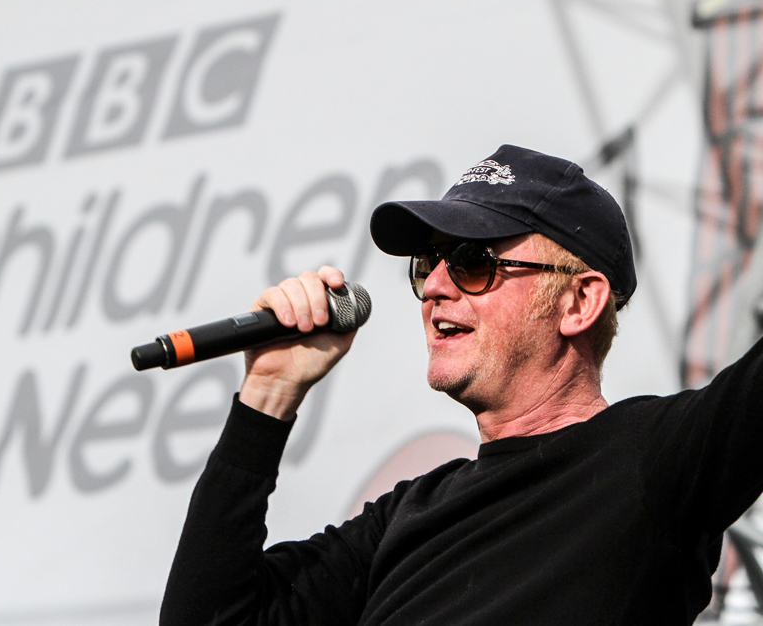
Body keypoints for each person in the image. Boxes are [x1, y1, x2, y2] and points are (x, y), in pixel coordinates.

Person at [159, 145, 763, 625]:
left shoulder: (651, 459)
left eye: (475, 261)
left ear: (579, 302)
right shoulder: (405, 517)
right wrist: (268, 396)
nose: (435, 288)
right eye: (429, 264)